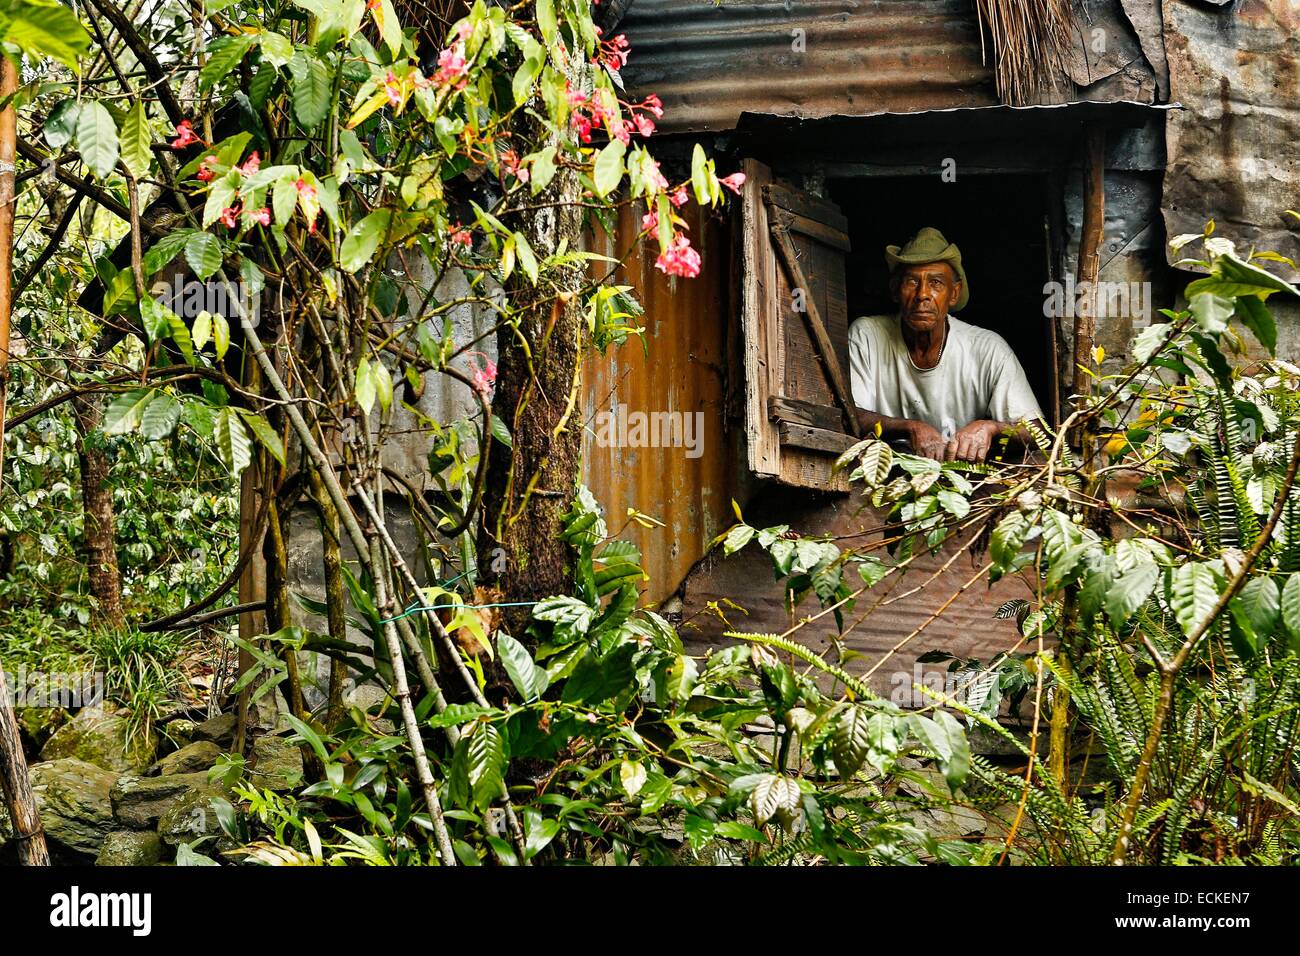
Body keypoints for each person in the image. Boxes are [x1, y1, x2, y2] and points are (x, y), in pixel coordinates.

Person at [848, 226, 1044, 462]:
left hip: (967, 479)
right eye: (912, 281)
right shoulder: (867, 335)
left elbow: (1037, 432)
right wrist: (912, 428)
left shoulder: (987, 348)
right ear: (895, 290)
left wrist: (990, 428)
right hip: (886, 473)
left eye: (936, 283)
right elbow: (850, 414)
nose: (923, 294)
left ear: (954, 293)